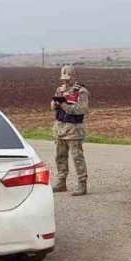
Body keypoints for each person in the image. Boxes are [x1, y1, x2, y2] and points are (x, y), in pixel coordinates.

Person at [52, 65, 89, 196]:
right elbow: (52, 107)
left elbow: (81, 109)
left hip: (74, 131)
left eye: (68, 78)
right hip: (60, 129)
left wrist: (64, 105)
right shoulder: (59, 89)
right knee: (60, 157)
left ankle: (82, 184)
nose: (65, 81)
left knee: (77, 158)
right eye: (64, 79)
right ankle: (61, 182)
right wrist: (55, 104)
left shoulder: (81, 91)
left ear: (74, 77)